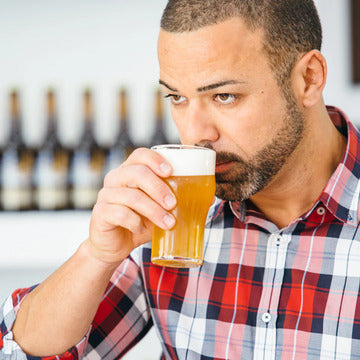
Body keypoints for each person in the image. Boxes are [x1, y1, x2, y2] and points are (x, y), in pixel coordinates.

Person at [1, 0, 359, 358]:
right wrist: (96, 256)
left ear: (309, 78)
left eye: (224, 96)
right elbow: (20, 352)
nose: (195, 134)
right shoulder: (172, 214)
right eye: (177, 97)